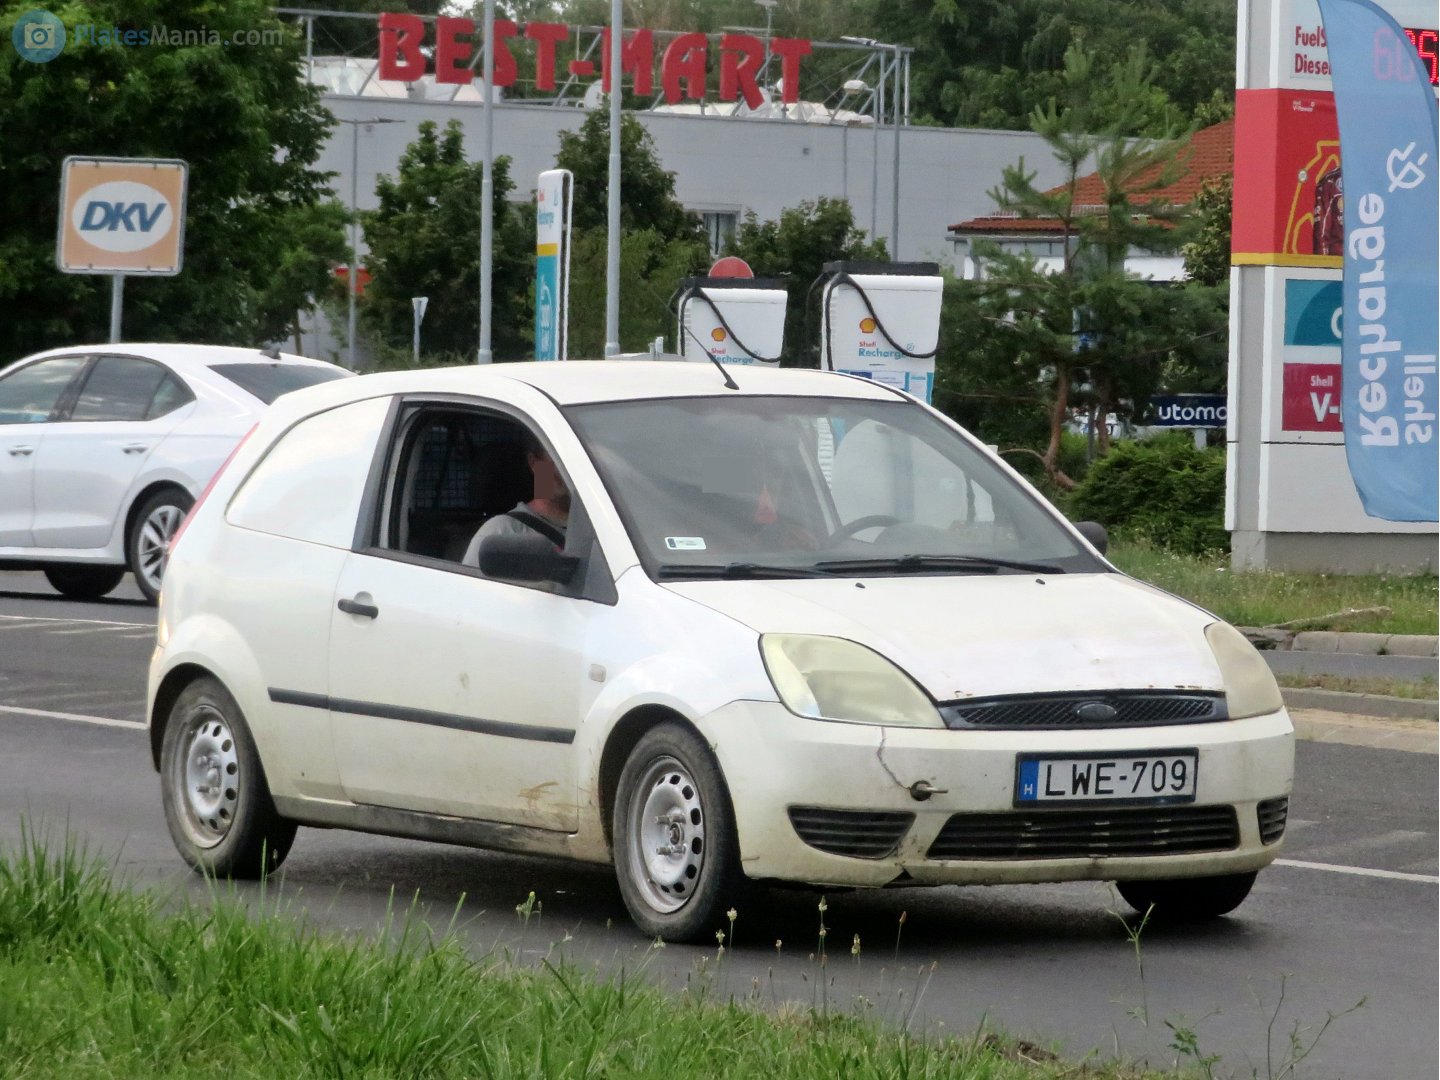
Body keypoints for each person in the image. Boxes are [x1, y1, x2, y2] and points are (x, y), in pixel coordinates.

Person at [463, 433, 569, 566]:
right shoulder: (501, 532)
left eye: (573, 460)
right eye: (558, 459)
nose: (568, 470)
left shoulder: (597, 527)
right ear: (534, 463)